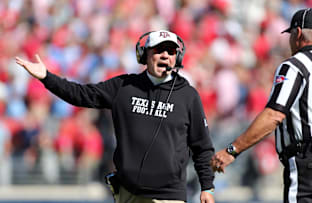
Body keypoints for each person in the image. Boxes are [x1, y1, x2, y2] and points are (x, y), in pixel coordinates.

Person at [16, 30, 215, 203]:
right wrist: (47, 77)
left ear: (177, 58)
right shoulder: (124, 87)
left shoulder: (188, 96)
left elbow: (202, 146)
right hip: (127, 194)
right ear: (144, 55)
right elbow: (81, 94)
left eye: (170, 52)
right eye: (158, 50)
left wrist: (207, 186)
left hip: (168, 196)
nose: (165, 56)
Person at [211, 8, 312, 203]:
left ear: (299, 34)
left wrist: (233, 150)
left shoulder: (295, 65)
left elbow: (274, 115)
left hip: (309, 164)